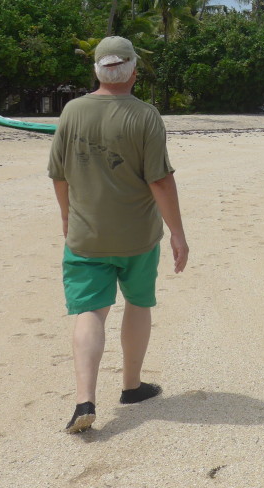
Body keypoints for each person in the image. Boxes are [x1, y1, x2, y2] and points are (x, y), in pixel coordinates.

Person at [48, 36, 189, 434]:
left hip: (86, 235)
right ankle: (131, 386)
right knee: (138, 304)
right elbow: (160, 181)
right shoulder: (145, 115)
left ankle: (84, 401)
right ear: (134, 71)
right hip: (138, 237)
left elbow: (58, 174)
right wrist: (177, 233)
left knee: (90, 311)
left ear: (97, 70)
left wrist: (65, 216)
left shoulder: (72, 111)